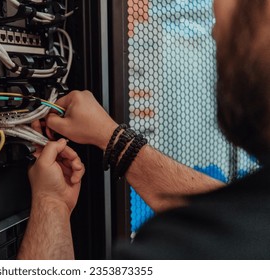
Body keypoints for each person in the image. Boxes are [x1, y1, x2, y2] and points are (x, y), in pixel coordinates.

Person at [17, 0, 270, 259]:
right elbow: (238, 211)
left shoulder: (185, 251)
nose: (215, 34)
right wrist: (115, 139)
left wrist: (52, 203)